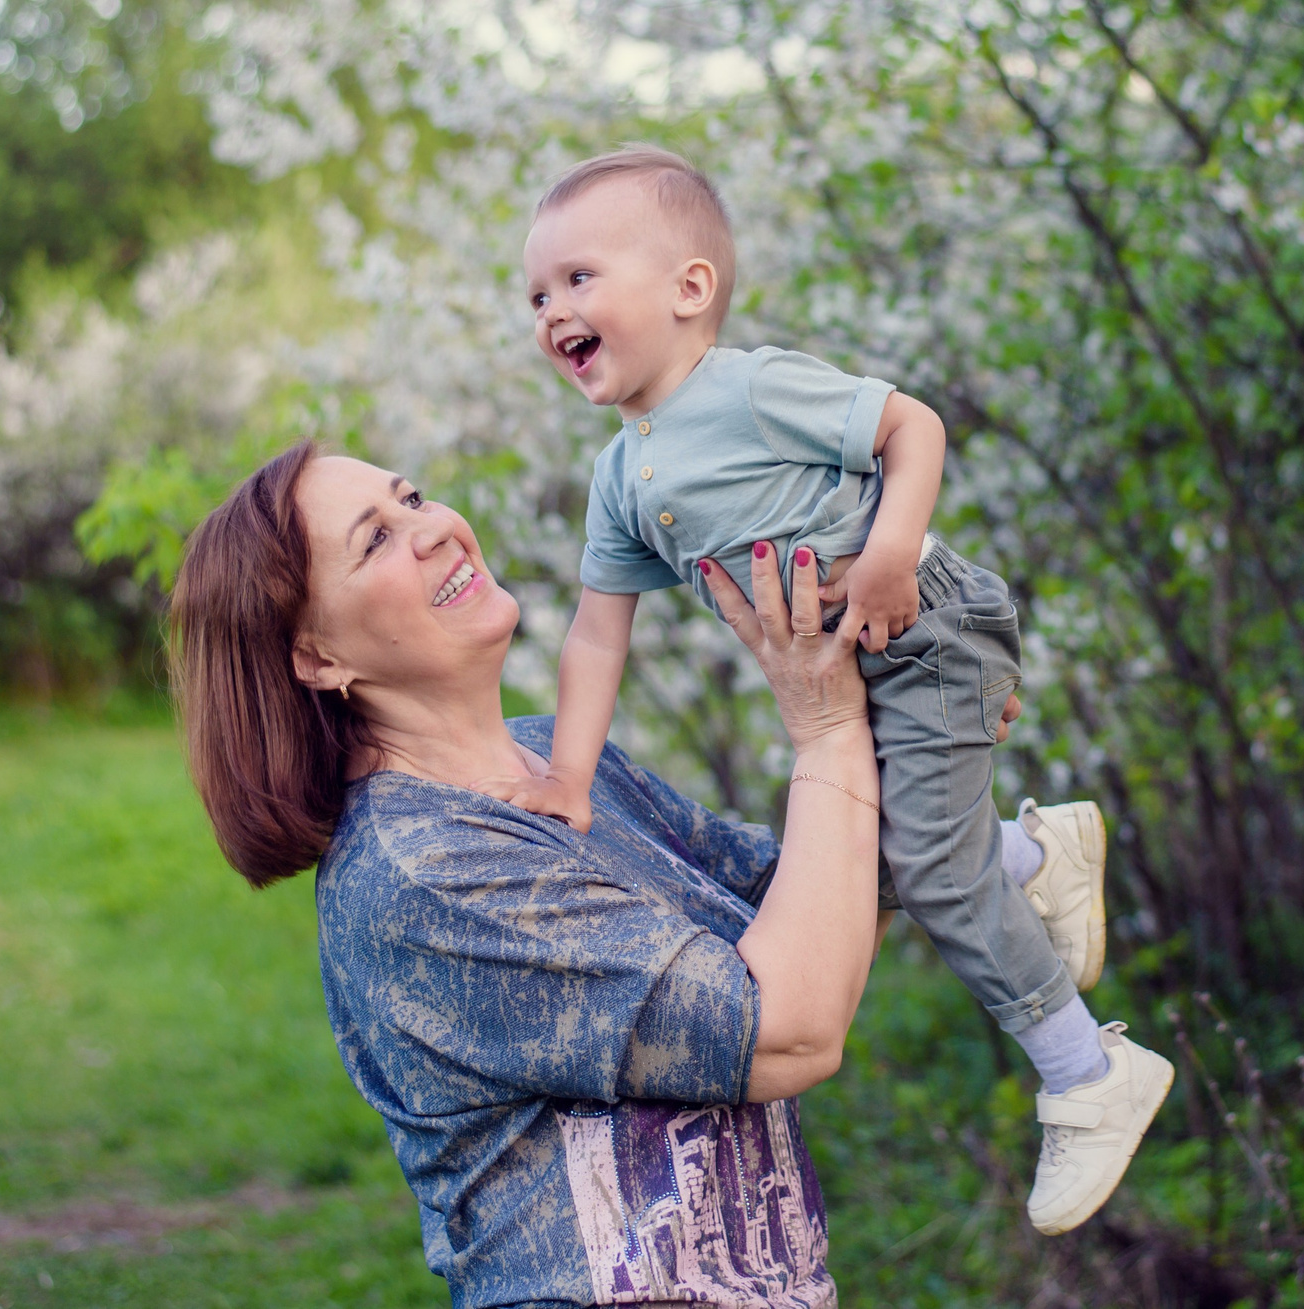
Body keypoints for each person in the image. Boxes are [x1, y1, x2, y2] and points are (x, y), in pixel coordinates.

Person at [510, 144, 1172, 1234]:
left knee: (921, 862)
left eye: (579, 278)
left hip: (924, 627)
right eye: (537, 293)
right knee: (866, 860)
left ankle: (1086, 1069)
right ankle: (1036, 857)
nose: (552, 310)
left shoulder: (753, 388)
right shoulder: (620, 478)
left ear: (688, 289)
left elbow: (912, 426)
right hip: (855, 670)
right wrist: (569, 777)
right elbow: (593, 634)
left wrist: (892, 548)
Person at [172, 440, 913, 1306]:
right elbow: (788, 1025)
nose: (433, 529)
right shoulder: (422, 873)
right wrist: (828, 733)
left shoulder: (558, 759)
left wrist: (922, 734)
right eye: (374, 540)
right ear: (317, 659)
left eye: (412, 497)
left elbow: (808, 912)